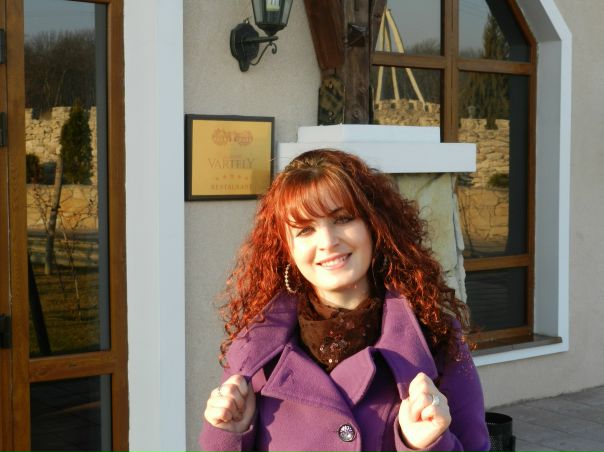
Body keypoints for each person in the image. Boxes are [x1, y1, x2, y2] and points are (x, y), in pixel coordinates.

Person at [200, 149, 490, 452]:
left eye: (343, 219)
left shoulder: (436, 337)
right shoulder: (254, 354)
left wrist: (426, 445)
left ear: (374, 227)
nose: (327, 242)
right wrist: (228, 435)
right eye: (305, 229)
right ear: (287, 249)